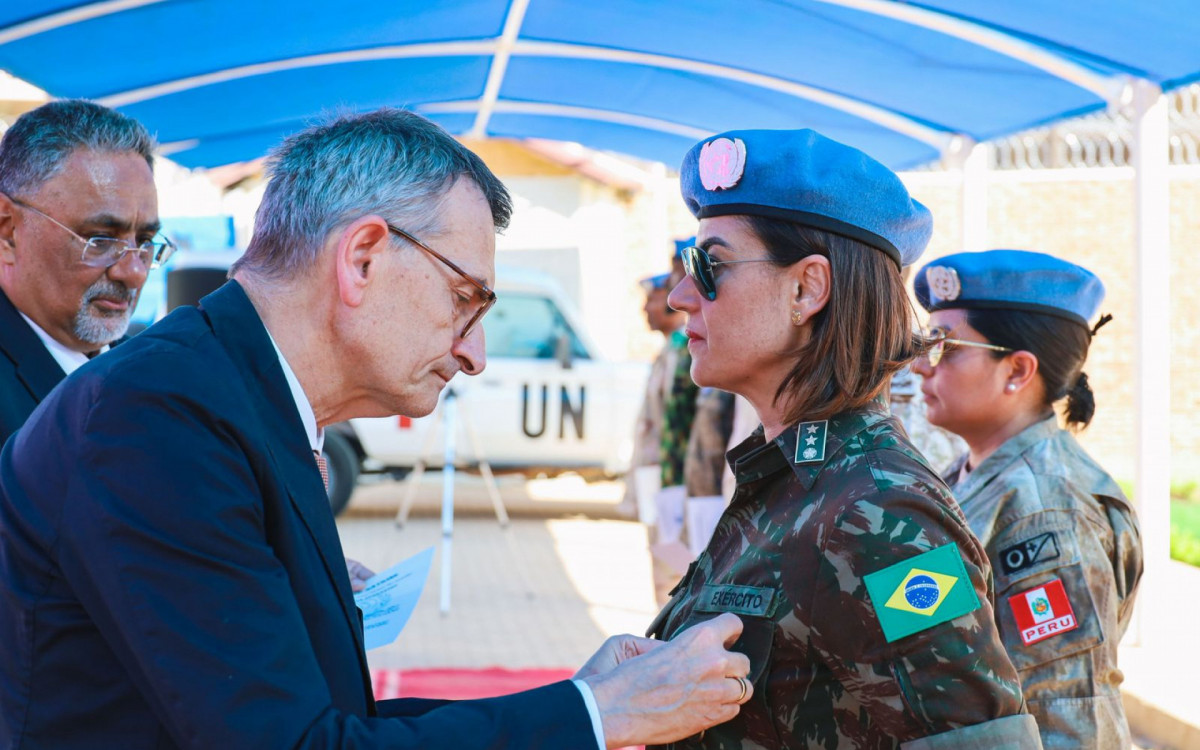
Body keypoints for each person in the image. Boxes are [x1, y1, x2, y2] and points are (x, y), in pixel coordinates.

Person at [0, 109, 754, 749]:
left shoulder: (226, 396)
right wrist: (598, 715)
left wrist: (582, 696)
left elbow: (326, 719)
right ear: (361, 257)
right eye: (464, 297)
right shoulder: (163, 419)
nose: (474, 353)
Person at [648, 128, 1040, 747]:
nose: (680, 296)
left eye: (711, 267)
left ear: (807, 288)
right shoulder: (796, 480)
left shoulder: (880, 514)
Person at [911, 249, 1142, 749]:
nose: (919, 367)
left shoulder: (1046, 511)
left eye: (945, 349)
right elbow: (921, 623)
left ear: (1016, 370)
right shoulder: (966, 477)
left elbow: (1068, 713)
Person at [0, 99, 169, 447]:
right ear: (8, 230)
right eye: (101, 239)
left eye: (146, 241)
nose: (134, 272)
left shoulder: (157, 375)